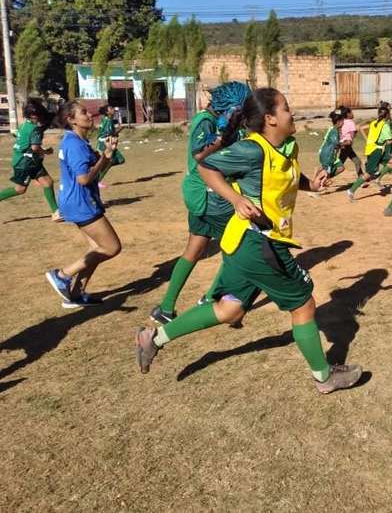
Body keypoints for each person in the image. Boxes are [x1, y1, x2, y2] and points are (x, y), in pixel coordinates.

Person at [134, 87, 363, 394]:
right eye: (286, 108)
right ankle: (324, 377)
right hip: (258, 243)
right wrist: (235, 199)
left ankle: (154, 338)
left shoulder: (288, 146)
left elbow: (290, 177)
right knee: (304, 305)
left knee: (230, 310)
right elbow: (206, 165)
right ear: (269, 119)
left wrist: (312, 184)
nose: (291, 113)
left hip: (247, 244)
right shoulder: (251, 149)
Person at [148, 82, 249, 325]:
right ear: (231, 107)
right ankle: (212, 298)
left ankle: (166, 307)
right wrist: (225, 137)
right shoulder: (205, 121)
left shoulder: (223, 121)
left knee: (195, 249)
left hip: (201, 194)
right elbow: (199, 153)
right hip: (209, 195)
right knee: (238, 245)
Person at [44, 101, 122, 308]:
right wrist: (102, 160)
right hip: (81, 203)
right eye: (83, 112)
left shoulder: (77, 141)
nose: (90, 115)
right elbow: (84, 179)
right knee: (112, 247)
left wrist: (106, 155)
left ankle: (76, 294)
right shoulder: (75, 145)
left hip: (77, 201)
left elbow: (94, 170)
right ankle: (62, 275)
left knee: (96, 248)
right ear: (71, 120)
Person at [0, 99, 61, 221]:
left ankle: (56, 212)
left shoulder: (25, 125)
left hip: (29, 161)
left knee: (47, 182)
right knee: (20, 189)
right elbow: (34, 147)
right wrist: (46, 152)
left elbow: (17, 134)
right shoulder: (35, 129)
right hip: (25, 163)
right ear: (34, 115)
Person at [347, 101, 392, 201]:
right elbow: (389, 142)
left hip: (374, 149)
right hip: (376, 151)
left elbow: (367, 131)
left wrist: (368, 140)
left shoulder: (374, 123)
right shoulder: (384, 125)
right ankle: (351, 190)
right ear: (387, 115)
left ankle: (378, 178)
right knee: (368, 174)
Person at [96, 105, 126, 187]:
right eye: (111, 109)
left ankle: (102, 168)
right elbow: (109, 133)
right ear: (107, 112)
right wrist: (119, 129)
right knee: (113, 160)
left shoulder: (108, 120)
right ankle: (97, 179)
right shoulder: (108, 121)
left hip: (107, 142)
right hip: (105, 143)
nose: (113, 110)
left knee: (120, 160)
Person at [317, 109, 345, 182]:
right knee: (326, 174)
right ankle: (317, 187)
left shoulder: (334, 129)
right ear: (339, 122)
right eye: (343, 121)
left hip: (332, 156)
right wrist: (343, 144)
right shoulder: (334, 131)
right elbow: (336, 144)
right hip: (328, 155)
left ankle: (321, 177)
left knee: (341, 168)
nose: (343, 123)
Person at [338, 106, 364, 177]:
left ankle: (361, 178)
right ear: (348, 114)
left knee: (357, 161)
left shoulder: (342, 122)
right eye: (351, 112)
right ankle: (325, 177)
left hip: (344, 145)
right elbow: (352, 136)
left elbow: (340, 133)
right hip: (347, 145)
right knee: (339, 165)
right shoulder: (351, 123)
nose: (353, 114)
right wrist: (356, 131)